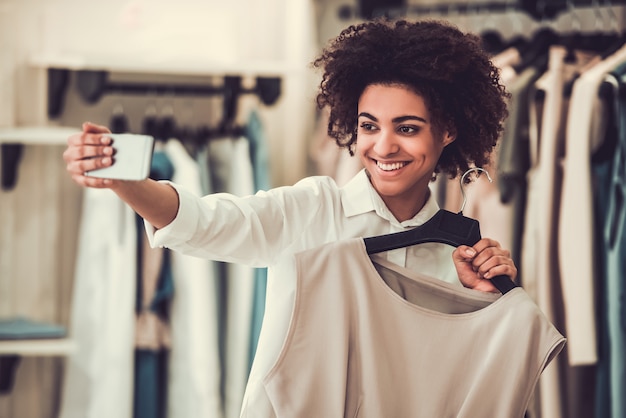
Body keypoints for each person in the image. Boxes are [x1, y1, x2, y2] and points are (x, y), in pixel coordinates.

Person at [64, 18, 519, 415]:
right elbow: (206, 223)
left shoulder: (458, 255)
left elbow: (466, 385)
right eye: (368, 125)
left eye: (407, 127)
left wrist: (485, 305)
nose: (383, 146)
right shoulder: (312, 211)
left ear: (448, 131)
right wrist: (125, 181)